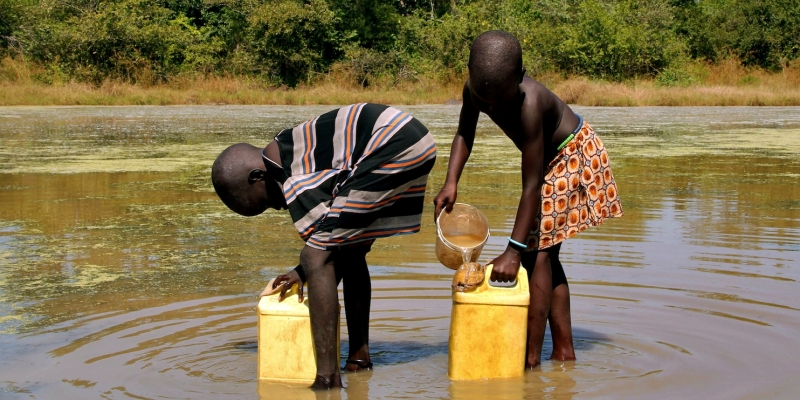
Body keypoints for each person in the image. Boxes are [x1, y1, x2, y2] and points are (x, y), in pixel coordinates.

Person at [211, 103, 436, 389]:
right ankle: (359, 358)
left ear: (258, 177)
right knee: (351, 249)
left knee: (314, 256)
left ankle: (327, 379)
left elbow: (320, 253)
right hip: (408, 138)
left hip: (391, 142)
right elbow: (338, 238)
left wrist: (307, 267)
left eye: (268, 202)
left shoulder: (287, 171)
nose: (279, 207)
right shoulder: (287, 149)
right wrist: (302, 271)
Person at [433, 30, 623, 369]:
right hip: (549, 160)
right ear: (471, 75)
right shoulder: (475, 89)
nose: (490, 106)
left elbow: (532, 187)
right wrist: (451, 181)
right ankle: (563, 351)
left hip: (572, 156)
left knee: (536, 254)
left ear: (520, 78)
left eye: (499, 101)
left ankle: (529, 361)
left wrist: (512, 251)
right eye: (483, 98)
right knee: (546, 255)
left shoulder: (531, 104)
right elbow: (465, 131)